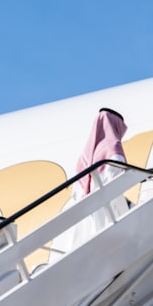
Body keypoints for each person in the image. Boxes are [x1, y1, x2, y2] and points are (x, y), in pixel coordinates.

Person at [54, 108, 130, 255]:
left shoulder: (85, 157)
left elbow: (77, 191)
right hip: (104, 205)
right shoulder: (113, 147)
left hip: (85, 211)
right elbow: (115, 176)